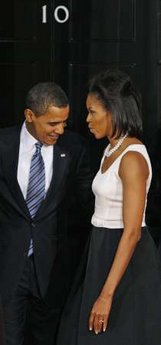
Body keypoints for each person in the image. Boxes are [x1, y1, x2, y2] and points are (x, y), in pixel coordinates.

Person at [57, 69, 161, 345]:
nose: (87, 120)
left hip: (125, 258)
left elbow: (132, 232)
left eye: (92, 112)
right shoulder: (111, 148)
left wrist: (106, 295)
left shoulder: (132, 158)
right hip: (101, 248)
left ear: (113, 111)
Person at [0, 82, 94, 345]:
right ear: (30, 116)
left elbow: (88, 201)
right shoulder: (3, 145)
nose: (60, 130)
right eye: (52, 123)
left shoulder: (74, 148)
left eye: (64, 122)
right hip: (9, 268)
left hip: (53, 270)